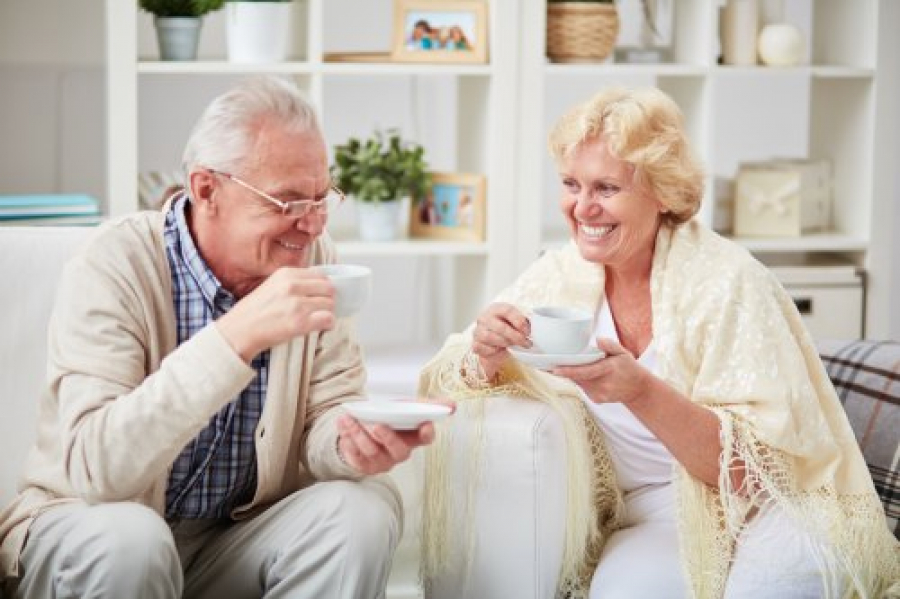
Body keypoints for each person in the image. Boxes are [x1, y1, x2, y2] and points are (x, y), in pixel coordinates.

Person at [417, 87, 900, 597]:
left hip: (772, 510)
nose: (583, 208)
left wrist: (638, 390)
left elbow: (753, 476)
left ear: (662, 193)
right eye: (570, 184)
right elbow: (448, 376)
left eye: (606, 187)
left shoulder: (728, 282)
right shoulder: (560, 276)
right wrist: (487, 352)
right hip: (654, 511)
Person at [0, 76, 444, 599]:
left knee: (362, 507)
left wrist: (350, 445)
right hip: (90, 528)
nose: (311, 224)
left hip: (230, 541)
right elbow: (98, 470)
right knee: (134, 542)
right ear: (206, 189)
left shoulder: (314, 257)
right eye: (288, 201)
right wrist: (237, 337)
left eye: (322, 198)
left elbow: (328, 412)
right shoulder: (112, 263)